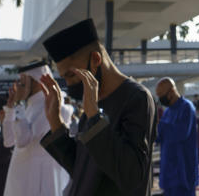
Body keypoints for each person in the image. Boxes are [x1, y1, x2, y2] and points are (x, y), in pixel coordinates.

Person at [37, 18, 158, 196]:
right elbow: (81, 169)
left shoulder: (136, 98)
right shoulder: (94, 101)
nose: (69, 84)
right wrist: (55, 121)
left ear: (95, 59)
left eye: (71, 75)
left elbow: (131, 176)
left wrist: (94, 117)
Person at [3, 60, 72, 196]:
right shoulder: (28, 106)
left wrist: (17, 105)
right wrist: (11, 109)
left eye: (23, 81)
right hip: (21, 176)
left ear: (36, 81)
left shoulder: (53, 106)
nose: (18, 85)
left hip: (38, 180)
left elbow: (23, 141)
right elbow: (8, 141)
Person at [155, 77, 198, 196]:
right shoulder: (167, 112)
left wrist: (160, 124)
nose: (160, 100)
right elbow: (159, 136)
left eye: (161, 96)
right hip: (168, 171)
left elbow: (180, 134)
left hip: (183, 171)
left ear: (171, 92)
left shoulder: (187, 108)